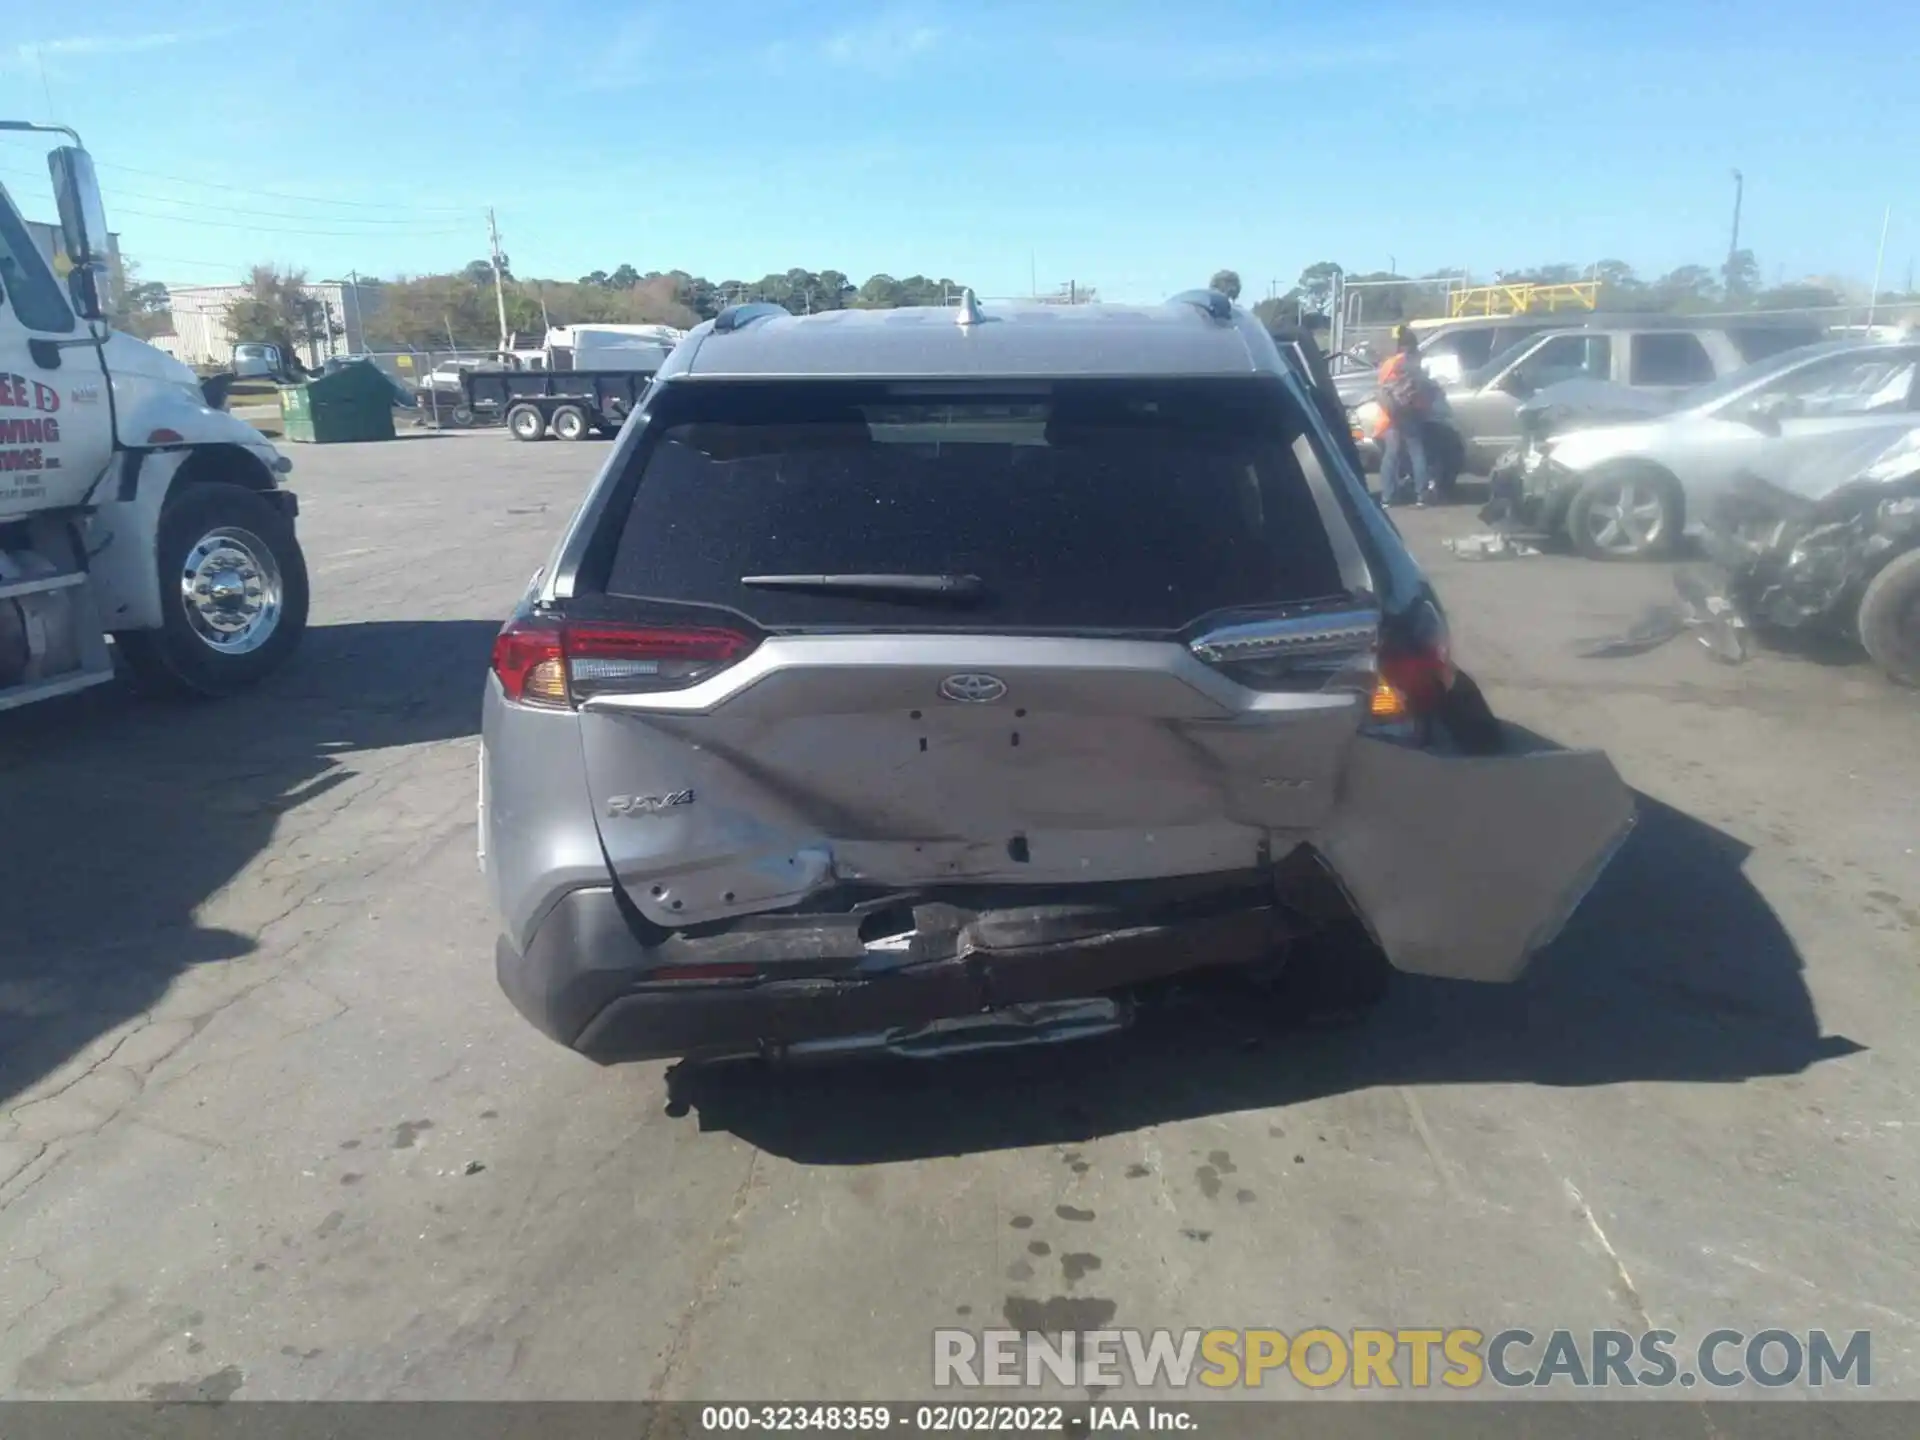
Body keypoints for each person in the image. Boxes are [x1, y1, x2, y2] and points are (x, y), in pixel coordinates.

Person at [1375, 324, 1434, 507]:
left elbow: (1382, 389)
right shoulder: (1417, 363)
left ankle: (1387, 497)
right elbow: (1426, 388)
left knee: (1391, 455)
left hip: (1392, 414)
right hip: (1412, 412)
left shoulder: (1389, 364)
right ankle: (1421, 496)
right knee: (1417, 452)